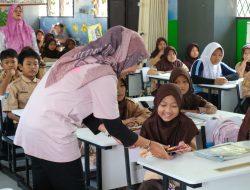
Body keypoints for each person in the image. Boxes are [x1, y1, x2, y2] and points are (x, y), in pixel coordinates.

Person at [14, 26, 170, 190]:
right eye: (135, 61)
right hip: (53, 134)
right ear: (122, 55)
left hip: (32, 129)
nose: (136, 68)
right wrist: (150, 145)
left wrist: (108, 129)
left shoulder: (83, 58)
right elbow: (115, 126)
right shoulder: (105, 73)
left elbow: (81, 107)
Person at [139, 83, 199, 190]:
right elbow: (143, 153)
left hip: (182, 175)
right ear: (157, 104)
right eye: (163, 105)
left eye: (174, 106)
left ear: (180, 106)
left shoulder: (187, 124)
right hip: (156, 175)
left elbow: (194, 152)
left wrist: (187, 149)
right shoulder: (149, 125)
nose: (168, 110)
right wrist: (155, 151)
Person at [3, 47, 40, 123]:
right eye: (28, 64)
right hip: (21, 124)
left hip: (41, 121)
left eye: (35, 64)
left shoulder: (42, 84)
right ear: (20, 67)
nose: (33, 67)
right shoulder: (13, 86)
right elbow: (10, 113)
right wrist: (25, 122)